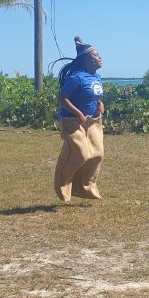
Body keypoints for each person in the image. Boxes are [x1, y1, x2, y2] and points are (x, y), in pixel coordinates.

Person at [54, 36, 105, 203]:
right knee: (81, 155)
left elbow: (93, 96)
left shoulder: (96, 77)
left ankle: (85, 188)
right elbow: (63, 99)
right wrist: (78, 114)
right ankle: (63, 187)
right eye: (97, 56)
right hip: (72, 121)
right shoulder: (77, 77)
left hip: (93, 121)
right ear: (88, 60)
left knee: (97, 155)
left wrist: (100, 105)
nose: (100, 58)